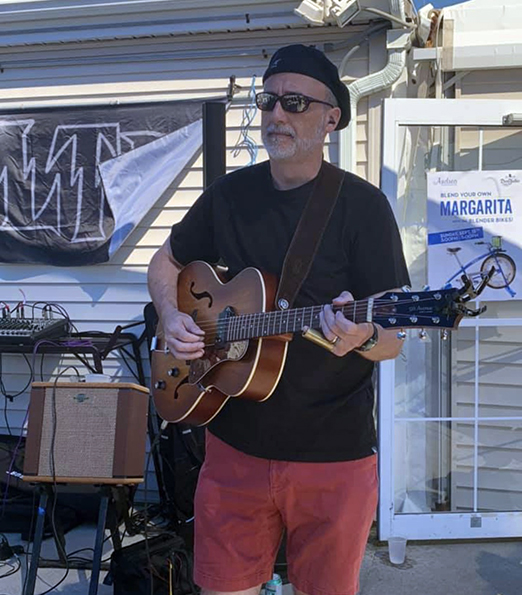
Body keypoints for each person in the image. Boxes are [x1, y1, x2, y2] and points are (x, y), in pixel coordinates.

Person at [148, 44, 410, 595]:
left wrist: (362, 337)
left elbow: (393, 337)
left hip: (332, 456)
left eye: (294, 102)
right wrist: (173, 317)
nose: (276, 115)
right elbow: (165, 260)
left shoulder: (363, 208)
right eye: (268, 101)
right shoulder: (229, 196)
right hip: (233, 446)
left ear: (332, 117)